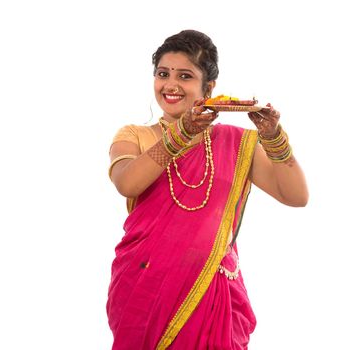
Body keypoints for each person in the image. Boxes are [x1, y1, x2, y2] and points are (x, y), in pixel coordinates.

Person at [106, 29, 308, 350]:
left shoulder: (236, 143)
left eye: (184, 76)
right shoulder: (134, 135)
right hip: (146, 287)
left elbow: (296, 195)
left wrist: (273, 137)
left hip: (212, 290)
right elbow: (127, 182)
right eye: (163, 74)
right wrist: (180, 133)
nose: (170, 85)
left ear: (209, 88)